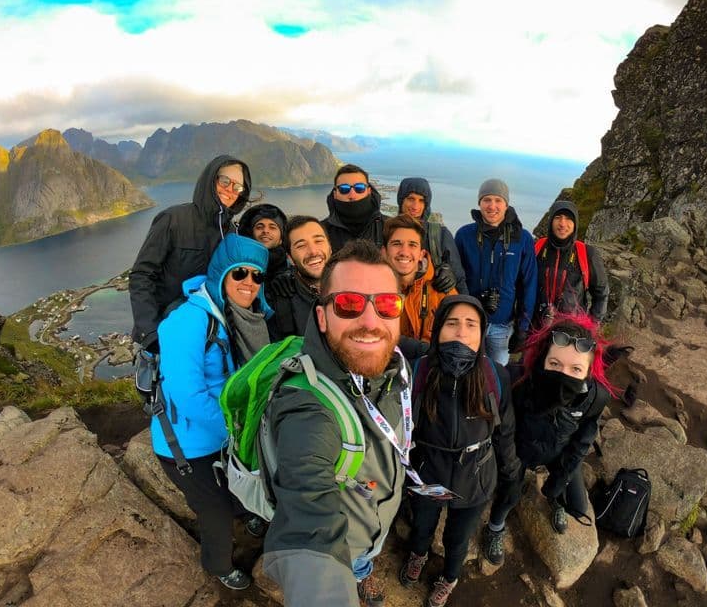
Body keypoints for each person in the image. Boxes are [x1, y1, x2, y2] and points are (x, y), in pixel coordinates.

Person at [262, 240, 412, 607]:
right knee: (355, 561)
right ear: (321, 316)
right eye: (349, 304)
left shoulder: (392, 368)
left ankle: (363, 568)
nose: (370, 322)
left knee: (365, 558)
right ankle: (358, 572)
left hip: (371, 518)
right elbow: (308, 512)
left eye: (386, 305)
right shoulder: (307, 406)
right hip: (346, 541)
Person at [151, 233, 272, 591]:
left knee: (239, 485)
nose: (249, 282)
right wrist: (239, 429)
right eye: (240, 273)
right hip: (186, 444)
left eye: (256, 276)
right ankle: (218, 565)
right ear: (221, 273)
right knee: (214, 511)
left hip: (219, 435)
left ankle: (248, 517)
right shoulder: (188, 321)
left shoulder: (231, 316)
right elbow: (186, 394)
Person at [399, 295, 520, 607]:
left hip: (475, 476)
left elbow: (504, 431)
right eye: (451, 323)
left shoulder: (495, 376)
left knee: (458, 538)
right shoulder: (418, 372)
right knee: (422, 525)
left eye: (471, 324)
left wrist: (511, 475)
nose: (461, 332)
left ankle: (450, 577)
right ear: (438, 330)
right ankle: (418, 555)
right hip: (427, 470)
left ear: (481, 334)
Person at [483, 312, 613, 564]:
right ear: (543, 360)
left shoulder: (595, 397)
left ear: (588, 372)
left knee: (577, 505)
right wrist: (511, 467)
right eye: (555, 364)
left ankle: (555, 500)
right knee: (508, 494)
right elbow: (502, 431)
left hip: (558, 451)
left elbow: (582, 442)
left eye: (576, 369)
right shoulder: (517, 380)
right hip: (520, 449)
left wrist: (560, 479)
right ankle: (495, 527)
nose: (564, 375)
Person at [130, 154, 250, 354]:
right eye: (225, 181)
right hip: (167, 332)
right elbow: (141, 275)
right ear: (210, 180)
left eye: (237, 187)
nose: (230, 190)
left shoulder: (232, 232)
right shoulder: (173, 219)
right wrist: (151, 334)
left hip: (212, 336)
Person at [454, 178, 536, 366]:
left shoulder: (522, 239)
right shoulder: (464, 235)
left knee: (497, 375)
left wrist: (523, 328)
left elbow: (528, 284)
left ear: (506, 205)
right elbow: (456, 278)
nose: (492, 206)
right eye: (487, 200)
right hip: (469, 322)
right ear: (479, 203)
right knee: (466, 372)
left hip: (502, 325)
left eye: (498, 200)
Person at [381, 214, 455, 344]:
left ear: (421, 254)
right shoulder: (371, 291)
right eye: (396, 244)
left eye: (412, 245)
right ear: (384, 252)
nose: (404, 252)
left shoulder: (443, 293)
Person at [534, 200, 609, 327]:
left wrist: (591, 326)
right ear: (551, 220)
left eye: (569, 219)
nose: (562, 223)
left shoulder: (587, 253)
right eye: (558, 217)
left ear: (575, 224)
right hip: (535, 327)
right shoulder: (538, 248)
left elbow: (601, 293)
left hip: (570, 332)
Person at [396, 177, 467, 294]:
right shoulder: (389, 232)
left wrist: (450, 275)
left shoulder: (439, 234)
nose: (415, 206)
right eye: (410, 199)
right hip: (392, 306)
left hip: (430, 309)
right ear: (401, 200)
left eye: (421, 200)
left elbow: (459, 280)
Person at [267, 215, 332, 340]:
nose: (313, 251)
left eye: (318, 241)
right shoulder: (278, 302)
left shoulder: (356, 288)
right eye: (301, 245)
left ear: (330, 248)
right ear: (290, 258)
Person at [322, 164, 388, 253]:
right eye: (344, 189)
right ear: (335, 194)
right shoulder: (322, 231)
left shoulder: (389, 227)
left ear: (369, 191)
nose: (352, 195)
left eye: (359, 188)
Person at [238, 203, 290, 280]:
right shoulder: (237, 266)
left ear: (281, 239)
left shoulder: (292, 272)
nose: (265, 231)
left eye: (272, 227)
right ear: (250, 234)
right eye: (259, 227)